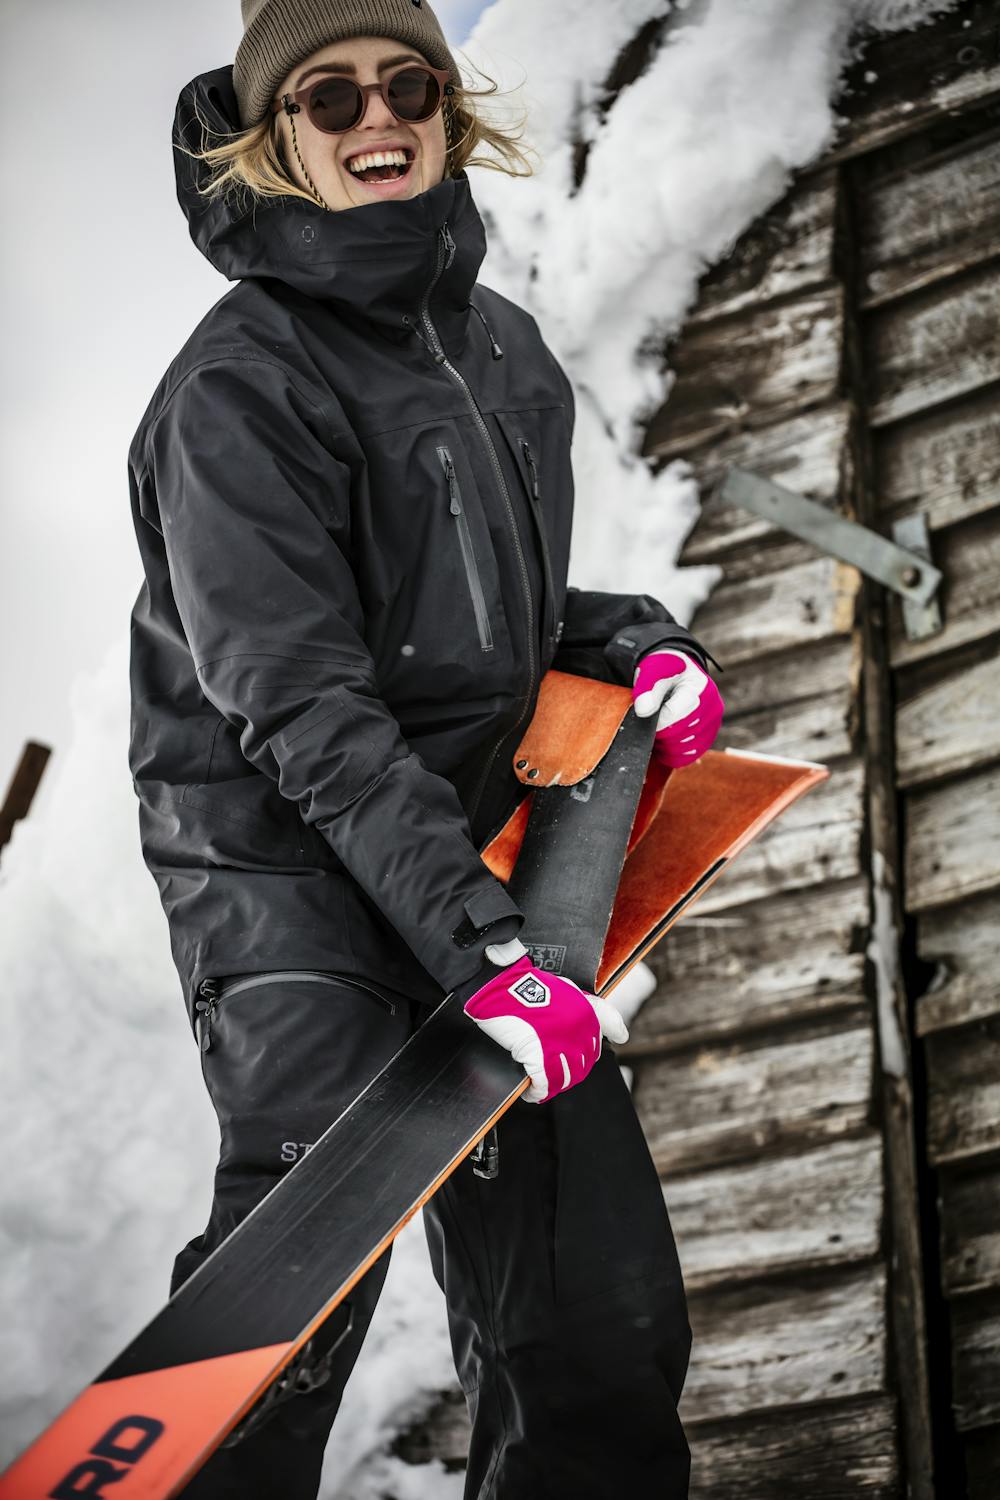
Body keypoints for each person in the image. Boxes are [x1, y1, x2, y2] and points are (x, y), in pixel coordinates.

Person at [127, 2, 725, 1495]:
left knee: (598, 1321)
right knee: (289, 1313)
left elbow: (476, 618)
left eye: (408, 84)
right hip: (294, 892)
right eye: (328, 98)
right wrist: (481, 949)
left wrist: (627, 640)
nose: (376, 116)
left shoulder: (499, 349)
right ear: (275, 140)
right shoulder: (236, 389)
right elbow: (301, 701)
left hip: (478, 870)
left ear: (451, 114)